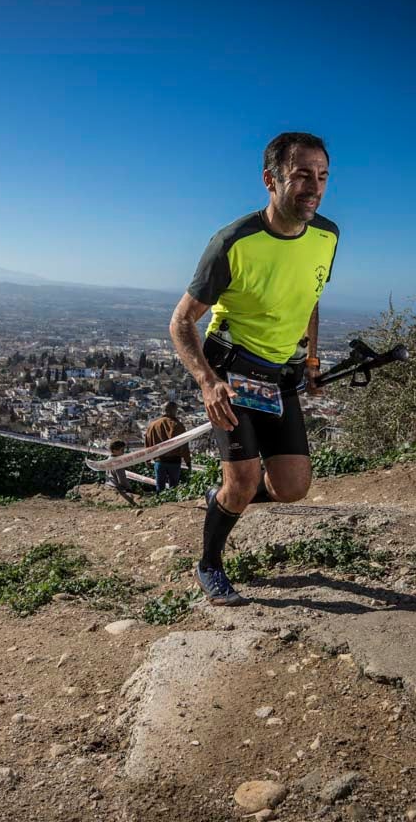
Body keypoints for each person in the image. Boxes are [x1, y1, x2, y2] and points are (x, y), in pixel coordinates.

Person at [169, 132, 336, 606]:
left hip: (279, 376)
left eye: (322, 177)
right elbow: (181, 321)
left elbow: (311, 299)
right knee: (242, 481)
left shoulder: (328, 235)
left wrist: (311, 359)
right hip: (232, 371)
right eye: (302, 175)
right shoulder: (232, 241)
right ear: (271, 179)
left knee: (293, 487)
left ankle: (221, 497)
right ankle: (209, 565)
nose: (314, 186)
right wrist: (207, 382)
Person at [144, 401, 193, 493]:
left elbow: (148, 443)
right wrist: (188, 461)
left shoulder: (153, 425)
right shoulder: (177, 425)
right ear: (174, 410)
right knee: (173, 487)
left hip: (159, 461)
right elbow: (184, 446)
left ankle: (160, 504)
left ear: (163, 410)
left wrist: (147, 459)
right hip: (174, 462)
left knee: (159, 486)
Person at [105, 440, 137, 505]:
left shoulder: (109, 459)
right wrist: (128, 489)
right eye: (122, 450)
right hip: (118, 488)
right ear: (114, 451)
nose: (123, 452)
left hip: (109, 486)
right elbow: (122, 480)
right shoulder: (118, 463)